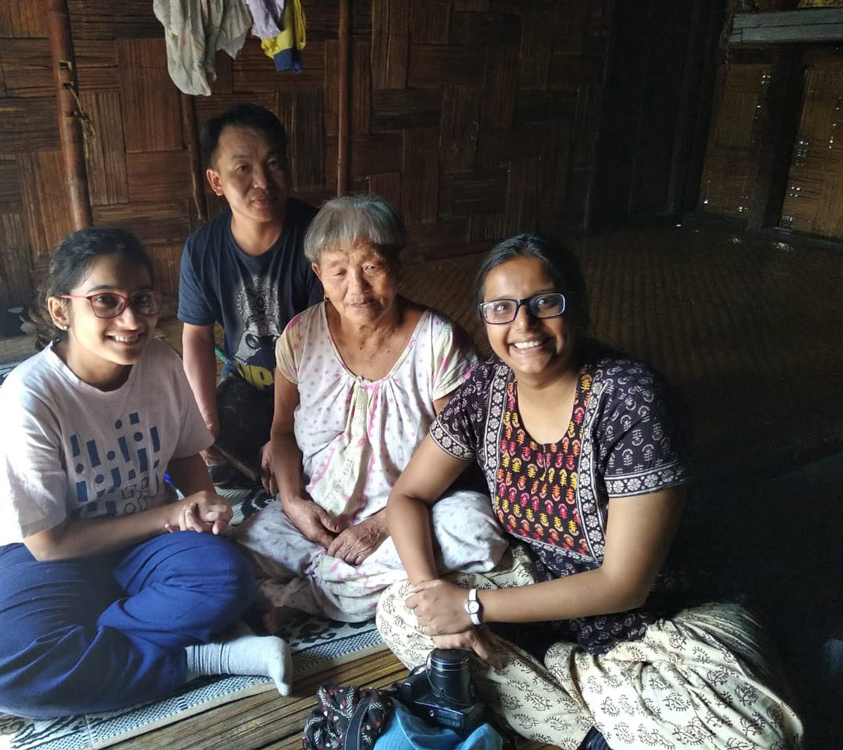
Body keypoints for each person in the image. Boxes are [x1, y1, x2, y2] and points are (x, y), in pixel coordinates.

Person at [375, 234, 804, 750]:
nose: (524, 326)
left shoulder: (631, 398)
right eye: (502, 309)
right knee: (402, 609)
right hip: (546, 603)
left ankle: (578, 717)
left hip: (662, 625)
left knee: (752, 738)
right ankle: (601, 731)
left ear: (577, 305)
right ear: (485, 318)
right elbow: (408, 497)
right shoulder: (487, 386)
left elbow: (625, 585)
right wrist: (435, 597)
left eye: (544, 303)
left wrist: (469, 607)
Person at [0, 228, 291, 720]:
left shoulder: (160, 362)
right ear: (60, 311)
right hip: (49, 557)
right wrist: (170, 515)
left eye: (142, 300)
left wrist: (206, 511)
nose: (131, 320)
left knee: (227, 574)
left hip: (144, 544)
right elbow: (48, 544)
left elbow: (183, 456)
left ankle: (97, 648)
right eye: (105, 301)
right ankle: (204, 656)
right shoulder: (30, 399)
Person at [232, 195, 508, 626]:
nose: (356, 289)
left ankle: (306, 596)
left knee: (476, 531)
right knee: (232, 552)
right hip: (319, 516)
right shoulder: (300, 337)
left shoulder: (438, 343)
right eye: (339, 271)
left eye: (372, 267)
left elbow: (461, 457)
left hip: (413, 515)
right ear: (318, 274)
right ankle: (352, 591)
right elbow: (281, 434)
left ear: (398, 264)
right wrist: (293, 503)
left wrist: (381, 526)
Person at [179, 103, 322, 486]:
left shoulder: (318, 239)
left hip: (313, 389)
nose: (262, 181)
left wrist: (282, 433)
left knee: (329, 458)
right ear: (216, 181)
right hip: (247, 383)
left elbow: (324, 349)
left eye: (273, 163)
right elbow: (197, 335)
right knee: (209, 454)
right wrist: (204, 419)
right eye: (243, 168)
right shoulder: (202, 249)